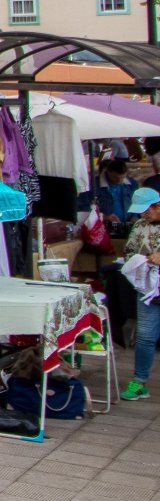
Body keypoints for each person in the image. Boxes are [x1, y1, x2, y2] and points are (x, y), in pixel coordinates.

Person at [121, 188, 160, 400]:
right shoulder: (139, 226)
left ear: (157, 206)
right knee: (145, 336)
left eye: (146, 211)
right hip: (147, 289)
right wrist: (142, 258)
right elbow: (128, 251)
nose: (143, 215)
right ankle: (140, 380)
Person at [90, 158, 136, 226]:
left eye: (122, 177)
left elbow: (138, 202)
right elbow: (85, 208)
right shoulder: (93, 185)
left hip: (128, 225)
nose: (119, 181)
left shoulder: (131, 183)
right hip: (103, 227)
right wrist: (103, 217)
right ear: (108, 172)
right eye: (115, 177)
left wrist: (135, 216)